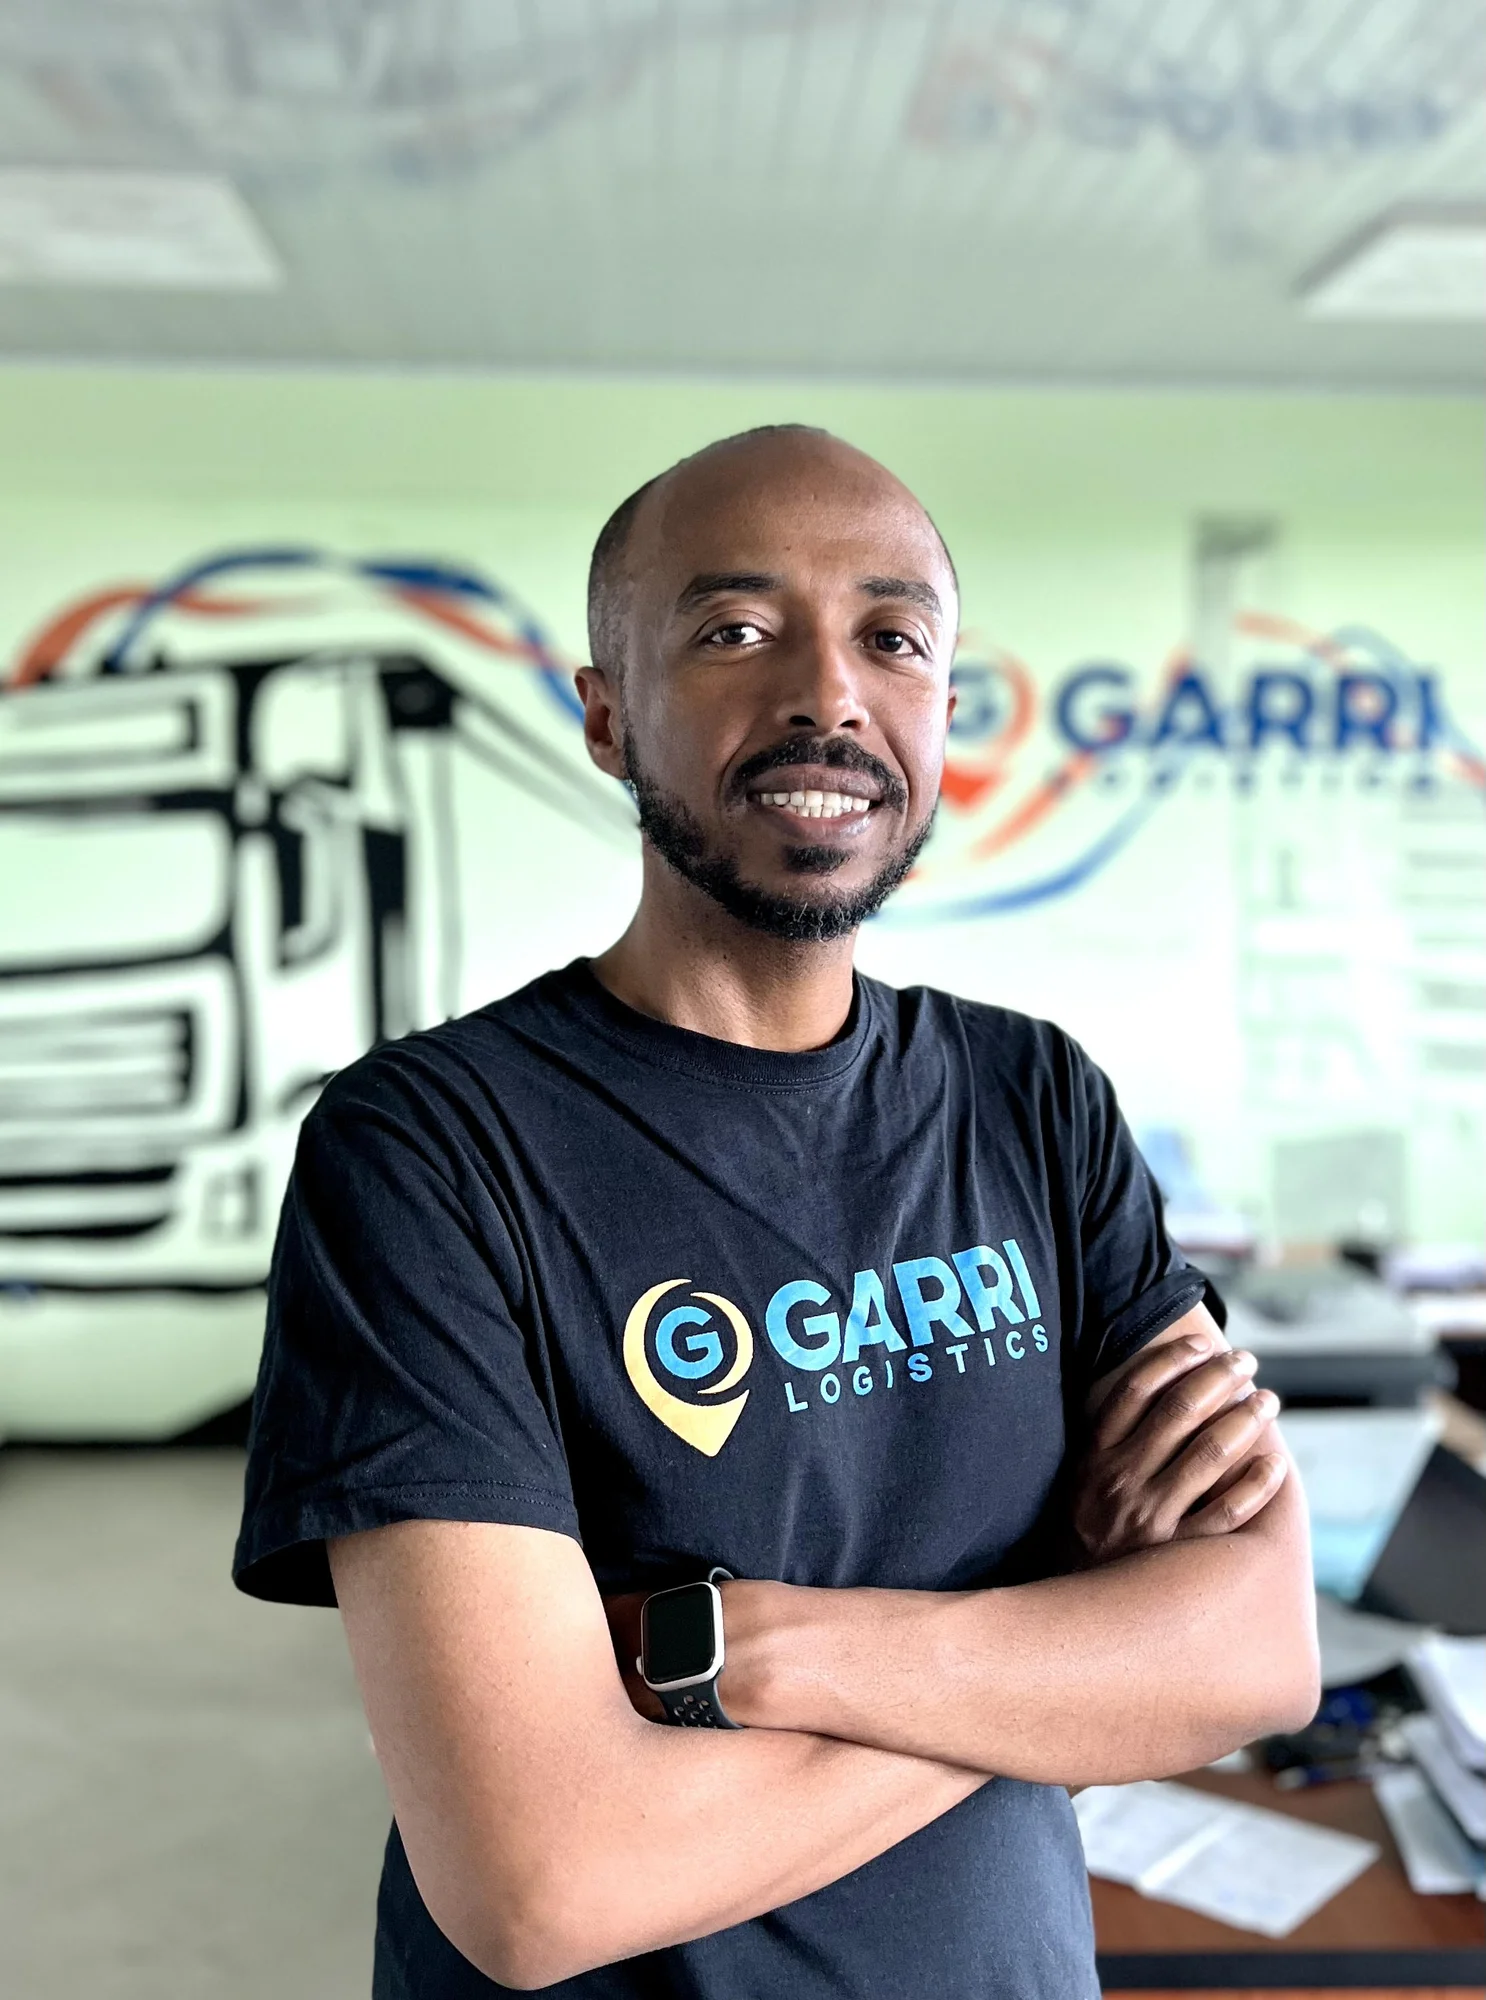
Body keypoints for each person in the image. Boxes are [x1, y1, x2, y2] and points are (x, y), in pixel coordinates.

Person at [234, 425, 1318, 1998]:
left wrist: (750, 1650)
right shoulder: (428, 1150)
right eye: (734, 631)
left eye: (892, 638)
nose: (828, 695)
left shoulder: (1037, 1101)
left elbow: (1251, 1653)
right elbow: (545, 1880)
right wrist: (1062, 1646)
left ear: (943, 707)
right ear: (608, 718)